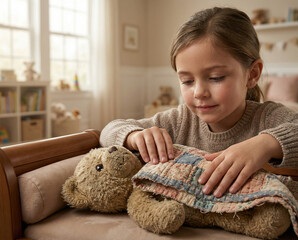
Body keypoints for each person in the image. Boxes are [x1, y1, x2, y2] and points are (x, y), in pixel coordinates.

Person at [100, 7, 298, 198]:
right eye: (187, 81)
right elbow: (108, 131)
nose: (199, 92)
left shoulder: (269, 118)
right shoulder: (180, 120)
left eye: (216, 77)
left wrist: (266, 144)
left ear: (252, 74)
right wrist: (134, 136)